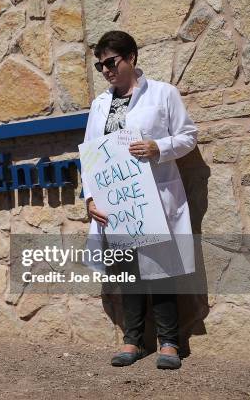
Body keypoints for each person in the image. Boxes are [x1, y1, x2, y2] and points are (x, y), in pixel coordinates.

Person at [80, 30, 198, 370]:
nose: (105, 70)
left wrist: (158, 147)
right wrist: (90, 198)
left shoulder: (162, 94)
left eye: (111, 62)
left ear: (131, 57)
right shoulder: (100, 104)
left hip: (152, 199)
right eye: (100, 65)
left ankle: (170, 342)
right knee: (126, 271)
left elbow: (188, 135)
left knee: (161, 270)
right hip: (116, 202)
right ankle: (132, 340)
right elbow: (90, 156)